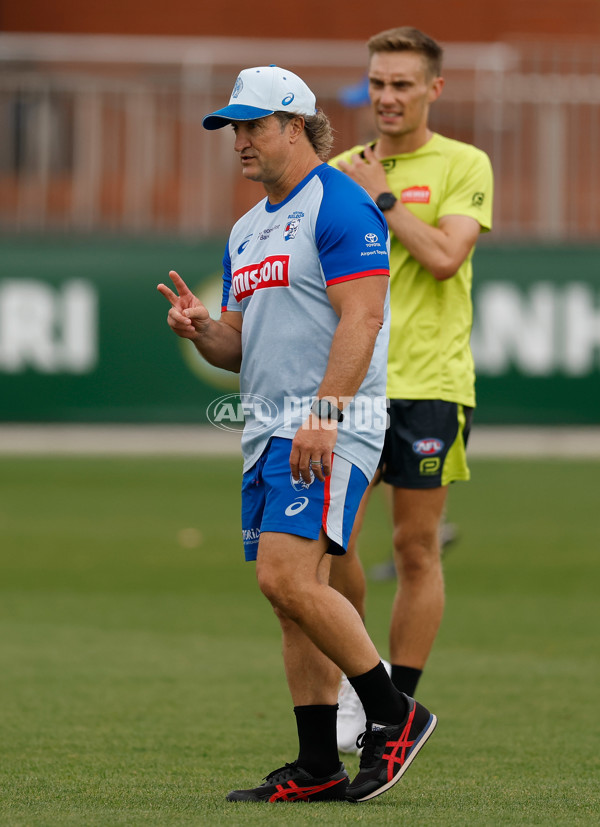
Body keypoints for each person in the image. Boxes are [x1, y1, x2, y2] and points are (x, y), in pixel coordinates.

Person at [157, 64, 437, 804]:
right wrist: (202, 330)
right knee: (289, 600)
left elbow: (364, 318)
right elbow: (237, 347)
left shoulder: (339, 204)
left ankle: (395, 714)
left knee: (285, 577)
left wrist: (324, 415)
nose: (240, 141)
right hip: (266, 431)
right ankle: (318, 765)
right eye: (233, 129)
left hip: (327, 428)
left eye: (253, 126)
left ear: (295, 125)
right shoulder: (246, 229)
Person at [328, 27, 493, 753]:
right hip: (355, 381)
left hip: (431, 383)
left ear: (434, 88)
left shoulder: (463, 163)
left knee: (416, 549)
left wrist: (386, 199)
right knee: (332, 545)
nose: (387, 96)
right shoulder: (338, 170)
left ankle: (397, 708)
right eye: (377, 82)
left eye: (402, 83)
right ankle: (364, 687)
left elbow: (446, 257)